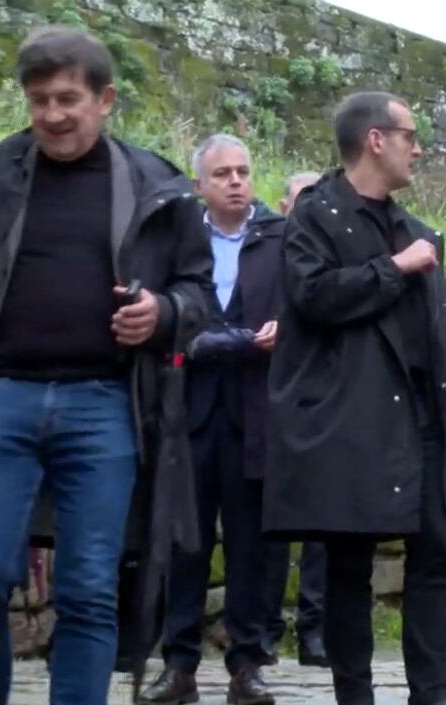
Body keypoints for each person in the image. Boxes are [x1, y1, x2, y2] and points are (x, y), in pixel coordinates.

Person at [0, 26, 212, 705]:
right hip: (4, 397)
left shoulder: (157, 185)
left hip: (106, 404)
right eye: (39, 101)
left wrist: (164, 313)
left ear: (105, 98)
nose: (53, 115)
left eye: (68, 99)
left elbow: (200, 292)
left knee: (90, 587)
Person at [265, 91, 446, 705]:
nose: (419, 147)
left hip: (423, 415)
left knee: (436, 553)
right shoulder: (316, 214)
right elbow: (313, 296)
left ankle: (431, 695)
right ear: (376, 140)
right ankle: (354, 696)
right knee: (348, 562)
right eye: (411, 134)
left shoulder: (416, 229)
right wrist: (397, 268)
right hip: (351, 418)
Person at [137, 134, 285, 705]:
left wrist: (285, 330)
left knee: (250, 547)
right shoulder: (180, 239)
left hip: (254, 412)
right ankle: (179, 665)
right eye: (222, 173)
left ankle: (248, 665)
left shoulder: (279, 238)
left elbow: (301, 306)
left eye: (244, 171)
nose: (236, 181)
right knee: (184, 544)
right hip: (188, 411)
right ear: (199, 184)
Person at [259, 170, 330, 670]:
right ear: (285, 207)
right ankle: (263, 630)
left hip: (322, 398)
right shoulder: (264, 255)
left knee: (323, 526)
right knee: (267, 524)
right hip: (261, 398)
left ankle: (315, 631)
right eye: (303, 198)